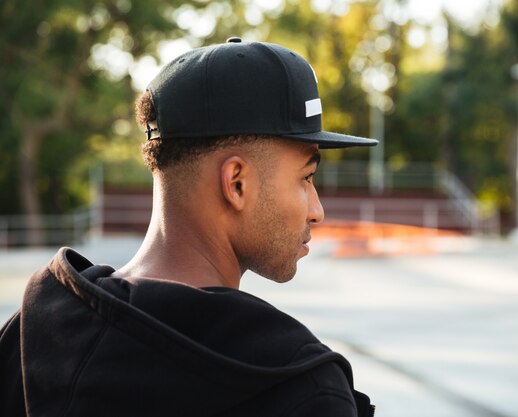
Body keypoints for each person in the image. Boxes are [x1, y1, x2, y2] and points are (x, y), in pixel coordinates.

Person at [0, 37, 378, 416]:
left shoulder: (27, 340)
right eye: (306, 178)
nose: (317, 211)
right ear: (237, 183)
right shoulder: (297, 390)